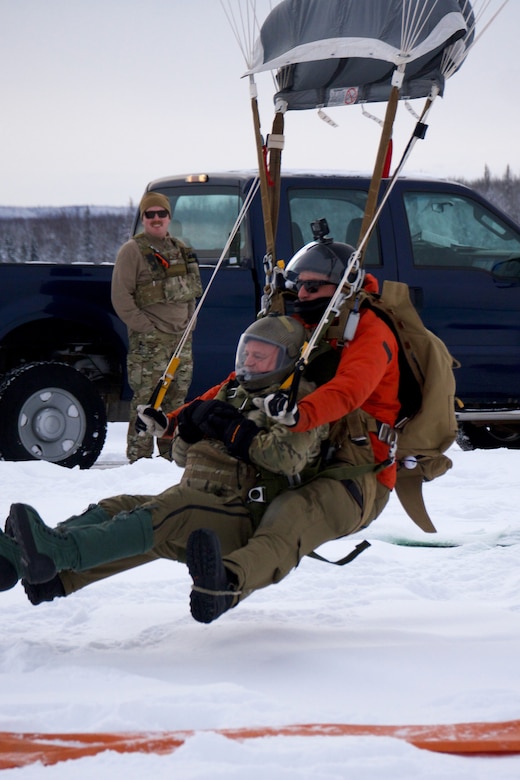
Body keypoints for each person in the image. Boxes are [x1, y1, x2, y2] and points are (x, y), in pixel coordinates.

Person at [0, 231, 401, 625]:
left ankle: (225, 582)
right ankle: (42, 565)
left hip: (357, 472)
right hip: (256, 476)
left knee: (288, 514)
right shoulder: (294, 340)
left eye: (315, 287)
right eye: (300, 287)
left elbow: (347, 391)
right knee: (127, 508)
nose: (303, 295)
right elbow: (226, 390)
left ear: (342, 286)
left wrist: (291, 417)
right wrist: (178, 423)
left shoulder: (363, 333)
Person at [0, 315, 329, 620]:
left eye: (261, 357)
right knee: (121, 507)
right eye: (247, 355)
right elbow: (185, 458)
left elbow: (287, 459)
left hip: (243, 513)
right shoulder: (234, 391)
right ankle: (41, 571)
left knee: (169, 511)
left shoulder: (297, 400)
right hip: (202, 496)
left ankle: (59, 552)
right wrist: (189, 431)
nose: (249, 363)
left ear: (286, 359)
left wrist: (235, 432)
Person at [111, 192, 202, 463]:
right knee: (146, 402)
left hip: (180, 340)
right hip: (150, 342)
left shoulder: (180, 249)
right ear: (143, 218)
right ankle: (139, 463)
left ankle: (170, 461)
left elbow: (191, 292)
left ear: (169, 217)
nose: (156, 219)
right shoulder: (132, 251)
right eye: (150, 214)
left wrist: (189, 324)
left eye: (161, 214)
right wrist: (146, 328)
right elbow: (121, 297)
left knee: (176, 403)